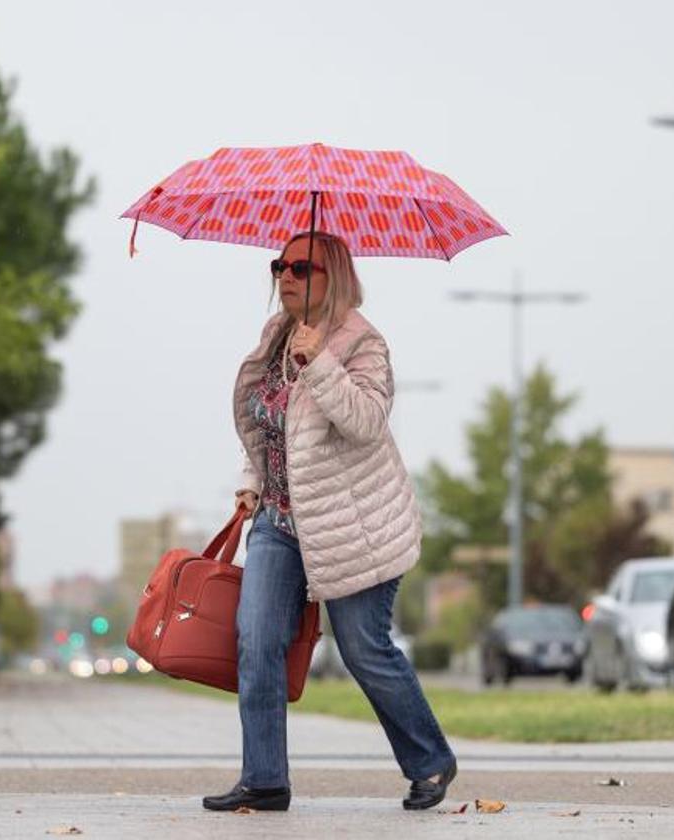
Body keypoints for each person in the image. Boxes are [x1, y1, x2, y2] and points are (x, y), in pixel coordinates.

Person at [202, 231, 457, 813]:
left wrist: (319, 362)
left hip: (353, 524)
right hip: (279, 520)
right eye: (279, 266)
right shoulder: (275, 337)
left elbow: (366, 421)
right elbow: (266, 425)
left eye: (300, 267)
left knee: (364, 649)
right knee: (257, 640)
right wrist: (250, 483)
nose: (285, 277)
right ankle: (264, 779)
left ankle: (431, 761)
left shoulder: (363, 345)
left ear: (334, 276)